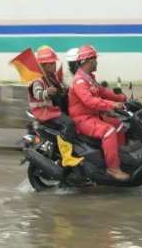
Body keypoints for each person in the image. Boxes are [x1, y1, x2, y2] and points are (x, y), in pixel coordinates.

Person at [68, 45, 129, 181]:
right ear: (89, 61)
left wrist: (122, 98)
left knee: (119, 125)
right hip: (83, 119)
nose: (97, 62)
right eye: (95, 59)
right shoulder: (79, 80)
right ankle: (113, 168)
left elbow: (102, 91)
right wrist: (112, 105)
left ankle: (121, 158)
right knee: (108, 131)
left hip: (93, 116)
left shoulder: (89, 78)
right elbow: (89, 101)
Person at [28, 46, 74, 139]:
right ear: (44, 65)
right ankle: (65, 151)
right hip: (46, 111)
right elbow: (37, 94)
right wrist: (47, 92)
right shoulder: (38, 80)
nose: (55, 65)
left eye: (55, 62)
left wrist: (63, 91)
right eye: (52, 63)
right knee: (69, 124)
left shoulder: (53, 76)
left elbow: (57, 90)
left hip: (57, 108)